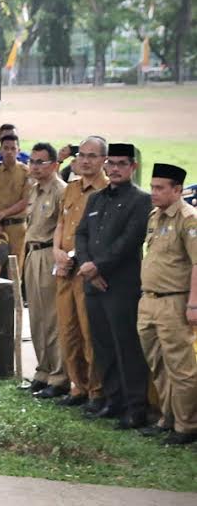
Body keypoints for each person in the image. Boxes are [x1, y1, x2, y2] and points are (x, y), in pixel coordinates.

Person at [74, 143, 151, 429]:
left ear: (133, 167)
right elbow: (80, 234)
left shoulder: (140, 200)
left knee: (126, 347)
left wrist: (99, 266)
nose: (115, 169)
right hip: (94, 284)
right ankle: (112, 400)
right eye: (112, 163)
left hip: (121, 286)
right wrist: (87, 267)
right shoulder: (96, 199)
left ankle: (135, 409)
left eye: (122, 164)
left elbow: (128, 241)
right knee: (103, 346)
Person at [137, 163, 197, 445]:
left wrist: (194, 304)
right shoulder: (155, 216)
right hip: (149, 301)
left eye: (160, 188)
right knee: (158, 364)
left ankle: (187, 425)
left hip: (175, 302)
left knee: (181, 367)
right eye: (152, 187)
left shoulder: (188, 218)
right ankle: (167, 418)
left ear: (177, 190)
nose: (154, 193)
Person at [53, 135, 107, 408]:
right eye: (82, 155)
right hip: (64, 268)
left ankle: (96, 391)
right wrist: (56, 251)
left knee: (89, 331)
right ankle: (77, 386)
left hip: (87, 269)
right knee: (67, 329)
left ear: (103, 160)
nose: (85, 161)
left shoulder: (106, 191)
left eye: (92, 156)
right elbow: (61, 224)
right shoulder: (71, 188)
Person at [21, 142, 69, 398]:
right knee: (37, 317)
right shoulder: (35, 190)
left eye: (41, 162)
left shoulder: (61, 191)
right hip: (32, 253)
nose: (35, 167)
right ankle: (42, 370)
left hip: (50, 254)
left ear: (53, 164)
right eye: (32, 161)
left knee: (52, 318)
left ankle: (59, 376)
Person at [0, 133, 31, 279]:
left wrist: (2, 214)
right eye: (6, 148)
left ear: (18, 151)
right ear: (0, 150)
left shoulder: (25, 172)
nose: (9, 151)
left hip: (16, 228)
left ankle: (13, 302)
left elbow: (25, 201)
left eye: (13, 148)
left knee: (14, 272)